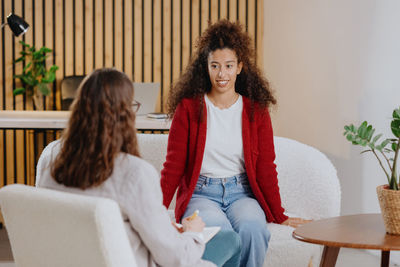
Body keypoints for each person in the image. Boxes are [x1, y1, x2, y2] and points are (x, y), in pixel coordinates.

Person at [35, 68, 241, 267]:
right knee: (230, 240)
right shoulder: (134, 173)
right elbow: (175, 258)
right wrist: (193, 233)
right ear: (125, 116)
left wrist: (163, 228)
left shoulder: (52, 167)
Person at [160, 20, 310, 267]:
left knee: (254, 230)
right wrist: (157, 211)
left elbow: (265, 167)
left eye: (229, 66)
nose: (222, 74)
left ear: (240, 67)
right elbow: (173, 166)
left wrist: (279, 215)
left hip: (242, 194)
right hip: (201, 194)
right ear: (205, 68)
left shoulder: (255, 111)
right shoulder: (188, 109)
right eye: (215, 66)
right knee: (221, 235)